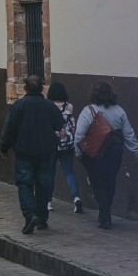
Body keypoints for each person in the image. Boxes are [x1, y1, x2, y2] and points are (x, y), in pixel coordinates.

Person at [74, 82, 138, 229]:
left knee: (97, 183)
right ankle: (105, 214)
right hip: (115, 153)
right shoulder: (119, 111)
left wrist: (79, 153)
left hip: (94, 154)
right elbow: (128, 134)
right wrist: (136, 150)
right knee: (110, 182)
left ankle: (104, 216)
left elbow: (79, 135)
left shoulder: (88, 111)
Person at [0, 74, 61, 234]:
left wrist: (4, 147)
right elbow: (59, 124)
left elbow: (9, 128)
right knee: (43, 185)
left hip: (24, 152)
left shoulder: (19, 105)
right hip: (45, 152)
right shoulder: (49, 106)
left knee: (25, 184)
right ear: (42, 89)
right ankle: (42, 217)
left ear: (25, 88)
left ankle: (30, 214)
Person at [47, 80, 82, 214]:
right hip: (67, 144)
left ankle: (48, 202)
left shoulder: (48, 106)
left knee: (50, 173)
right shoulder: (69, 107)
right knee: (69, 172)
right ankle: (76, 197)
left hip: (52, 144)